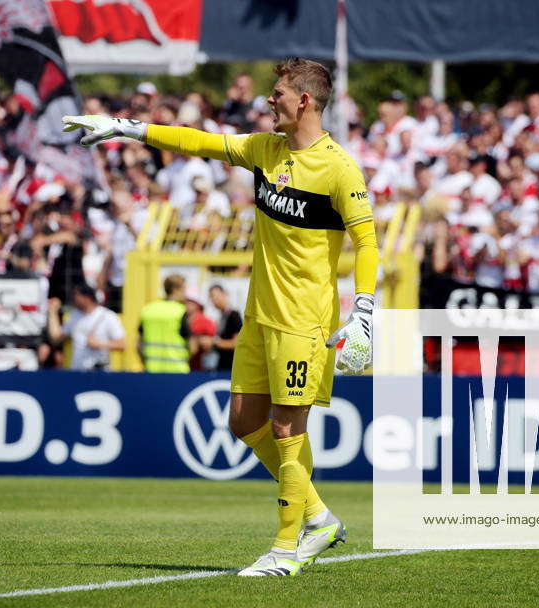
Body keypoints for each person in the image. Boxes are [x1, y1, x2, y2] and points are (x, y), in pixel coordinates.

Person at [64, 57, 380, 577]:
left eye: (277, 92)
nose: (268, 100)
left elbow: (367, 241)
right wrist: (126, 128)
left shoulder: (340, 167)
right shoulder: (265, 150)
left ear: (304, 100)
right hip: (259, 316)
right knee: (242, 421)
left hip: (304, 321)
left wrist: (363, 310)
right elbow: (196, 142)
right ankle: (319, 515)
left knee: (285, 427)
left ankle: (284, 550)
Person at [47, 283, 125, 371]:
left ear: (87, 297)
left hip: (99, 371)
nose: (73, 299)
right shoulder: (74, 316)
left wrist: (99, 344)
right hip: (77, 372)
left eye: (76, 295)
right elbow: (56, 338)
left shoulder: (108, 316)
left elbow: (121, 344)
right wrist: (52, 312)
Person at [137, 274, 192, 373]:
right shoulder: (180, 311)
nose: (185, 294)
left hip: (151, 369)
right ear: (176, 289)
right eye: (184, 290)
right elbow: (191, 345)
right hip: (178, 370)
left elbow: (138, 344)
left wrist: (145, 362)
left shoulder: (147, 310)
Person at [209, 283, 242, 371]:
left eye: (215, 296)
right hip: (222, 366)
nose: (213, 300)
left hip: (230, 368)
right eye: (211, 297)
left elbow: (236, 343)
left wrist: (214, 342)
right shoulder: (221, 317)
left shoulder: (234, 315)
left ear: (224, 294)